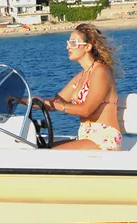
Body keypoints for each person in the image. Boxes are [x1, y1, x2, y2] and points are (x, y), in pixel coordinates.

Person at [40, 23, 122, 151]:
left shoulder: (100, 71)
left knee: (49, 153)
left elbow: (86, 110)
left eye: (73, 43)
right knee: (39, 148)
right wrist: (23, 100)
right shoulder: (81, 76)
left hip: (104, 138)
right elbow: (55, 101)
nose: (68, 47)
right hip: (86, 137)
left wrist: (56, 105)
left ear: (88, 47)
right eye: (68, 43)